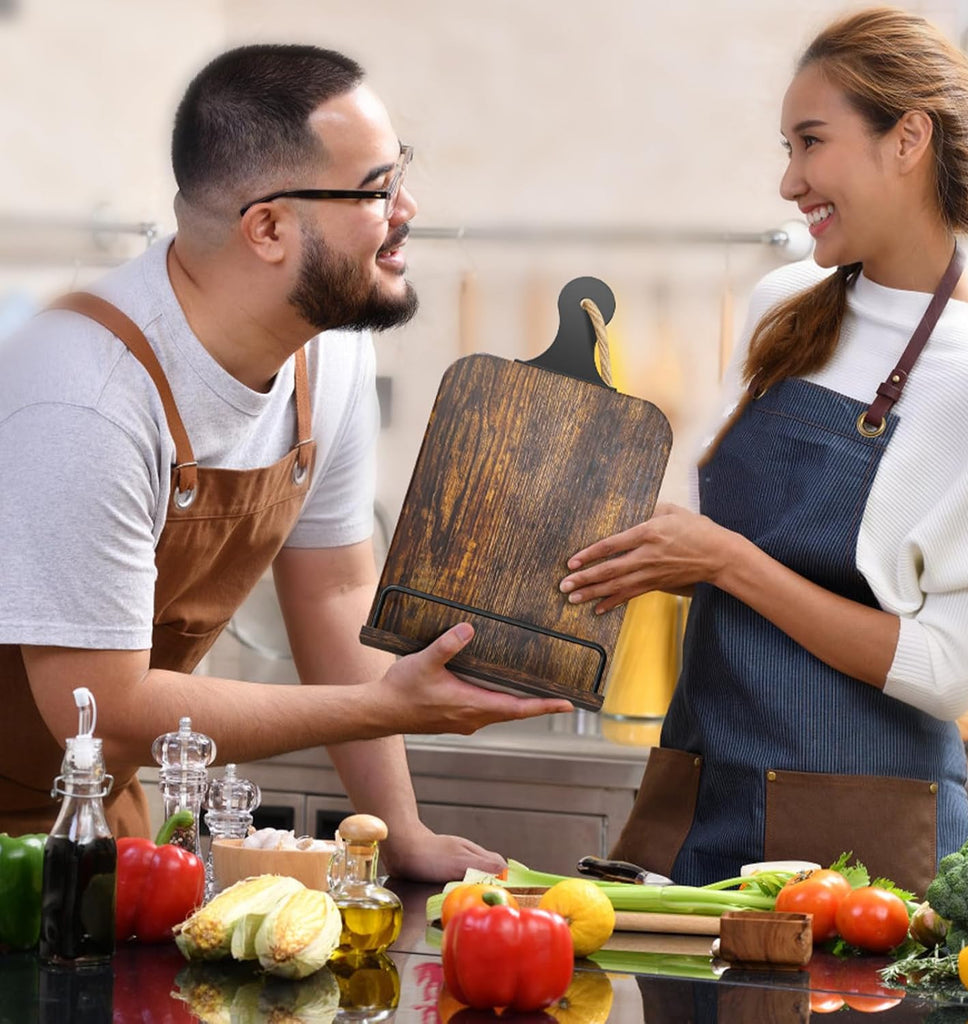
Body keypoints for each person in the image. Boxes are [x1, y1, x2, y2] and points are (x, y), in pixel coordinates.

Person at [0, 43, 571, 879]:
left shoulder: (325, 358)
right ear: (267, 226)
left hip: (88, 815)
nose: (407, 206)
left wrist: (397, 832)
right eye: (377, 189)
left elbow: (336, 596)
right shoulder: (84, 390)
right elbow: (103, 712)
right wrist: (383, 703)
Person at [559, 7, 968, 894]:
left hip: (859, 846)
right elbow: (724, 536)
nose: (788, 181)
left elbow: (941, 674)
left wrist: (726, 563)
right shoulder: (788, 300)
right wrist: (650, 547)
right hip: (700, 802)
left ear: (908, 139)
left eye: (811, 143)